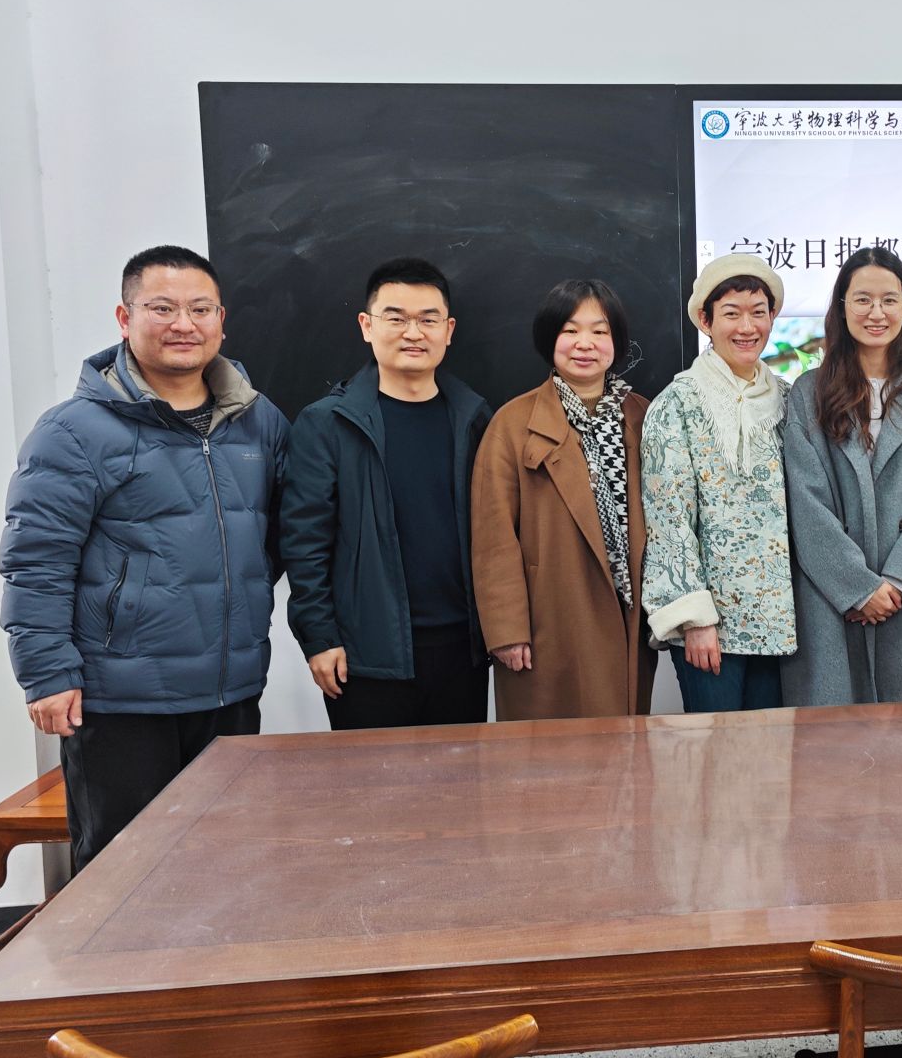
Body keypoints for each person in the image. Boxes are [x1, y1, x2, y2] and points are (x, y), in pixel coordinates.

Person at [0, 245, 290, 870]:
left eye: (200, 309)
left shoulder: (258, 421)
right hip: (121, 698)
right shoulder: (74, 432)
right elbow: (36, 561)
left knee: (227, 865)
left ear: (220, 320)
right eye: (162, 308)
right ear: (124, 317)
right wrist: (47, 673)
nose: (183, 323)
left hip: (230, 689)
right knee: (123, 874)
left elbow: (275, 539)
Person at [277, 257, 494, 729]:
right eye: (396, 318)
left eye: (428, 320)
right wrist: (319, 638)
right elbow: (304, 543)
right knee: (371, 779)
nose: (413, 333)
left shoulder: (475, 419)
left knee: (460, 776)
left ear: (448, 331)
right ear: (367, 326)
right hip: (365, 655)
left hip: (463, 649)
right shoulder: (327, 424)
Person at [782, 247, 902, 706]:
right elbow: (806, 502)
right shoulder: (809, 393)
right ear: (842, 307)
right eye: (863, 299)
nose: (876, 313)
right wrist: (859, 588)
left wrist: (896, 583)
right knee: (836, 738)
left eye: (889, 300)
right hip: (833, 599)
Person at [472, 280, 655, 719]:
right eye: (570, 331)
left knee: (623, 747)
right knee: (548, 751)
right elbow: (493, 538)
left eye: (599, 331)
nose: (584, 344)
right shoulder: (513, 423)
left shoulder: (643, 415)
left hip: (628, 615)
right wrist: (506, 630)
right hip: (548, 620)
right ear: (549, 338)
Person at [641, 254, 797, 712]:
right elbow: (669, 520)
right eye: (731, 313)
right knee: (715, 750)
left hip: (779, 623)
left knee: (773, 749)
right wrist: (694, 619)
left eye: (758, 312)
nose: (747, 326)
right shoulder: (677, 403)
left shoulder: (790, 401)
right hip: (711, 628)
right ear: (706, 321)